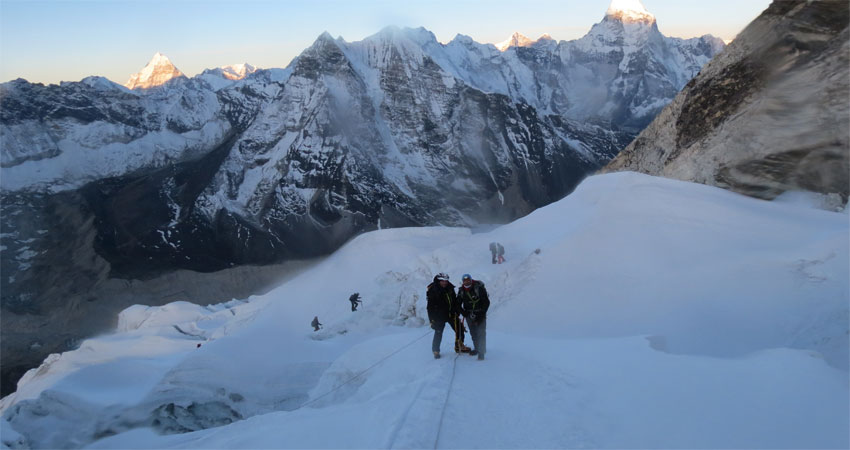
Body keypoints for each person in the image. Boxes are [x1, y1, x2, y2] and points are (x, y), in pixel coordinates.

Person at [426, 273, 470, 359]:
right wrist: (432, 320)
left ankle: (459, 346)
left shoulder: (450, 288)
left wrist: (458, 311)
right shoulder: (433, 290)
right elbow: (430, 307)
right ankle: (436, 351)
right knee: (438, 333)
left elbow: (454, 302)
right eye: (442, 281)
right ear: (439, 281)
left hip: (451, 314)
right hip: (439, 316)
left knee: (460, 329)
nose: (444, 282)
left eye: (446, 281)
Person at [457, 273, 490, 360]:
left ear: (471, 280)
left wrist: (481, 314)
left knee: (481, 332)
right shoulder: (461, 291)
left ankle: (481, 352)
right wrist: (463, 312)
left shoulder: (478, 288)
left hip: (480, 313)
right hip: (468, 314)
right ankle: (477, 348)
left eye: (468, 280)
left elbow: (486, 302)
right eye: (465, 280)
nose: (467, 282)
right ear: (463, 281)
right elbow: (457, 303)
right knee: (473, 332)